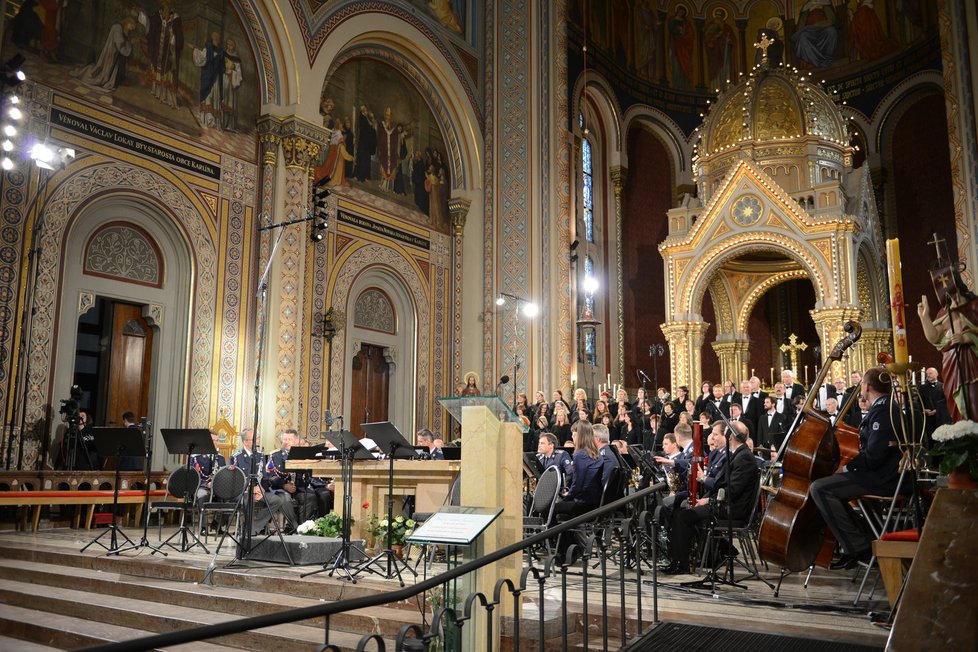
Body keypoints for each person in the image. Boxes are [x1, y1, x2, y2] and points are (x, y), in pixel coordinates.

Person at [810, 367, 903, 570]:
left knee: (820, 488)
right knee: (832, 491)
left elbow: (875, 455)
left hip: (882, 479)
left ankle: (857, 546)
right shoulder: (885, 406)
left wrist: (846, 468)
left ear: (867, 386)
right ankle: (868, 540)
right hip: (878, 475)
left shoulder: (883, 410)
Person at [662, 420, 759, 574]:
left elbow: (732, 490)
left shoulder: (744, 457)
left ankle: (682, 564)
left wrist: (708, 500)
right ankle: (681, 559)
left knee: (684, 515)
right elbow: (725, 485)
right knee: (682, 511)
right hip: (724, 504)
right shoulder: (739, 454)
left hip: (732, 509)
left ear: (731, 436)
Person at [918, 275, 978, 423]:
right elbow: (933, 337)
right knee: (956, 399)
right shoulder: (944, 313)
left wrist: (968, 338)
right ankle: (963, 431)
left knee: (973, 397)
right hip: (952, 363)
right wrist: (924, 317)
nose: (952, 298)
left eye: (954, 292)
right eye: (948, 295)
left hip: (972, 361)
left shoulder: (974, 306)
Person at [231, 428, 297, 535]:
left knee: (276, 500)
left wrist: (262, 488)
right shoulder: (236, 457)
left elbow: (265, 478)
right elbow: (233, 479)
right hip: (243, 492)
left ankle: (253, 527)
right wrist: (250, 489)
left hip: (259, 491)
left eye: (257, 438)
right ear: (245, 442)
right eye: (255, 439)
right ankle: (250, 530)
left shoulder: (260, 456)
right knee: (249, 500)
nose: (257, 440)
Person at [553, 420, 605, 521]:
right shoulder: (597, 454)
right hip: (594, 501)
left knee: (547, 508)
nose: (572, 437)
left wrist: (566, 497)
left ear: (581, 436)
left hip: (583, 503)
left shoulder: (580, 455)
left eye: (574, 434)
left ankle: (551, 536)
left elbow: (578, 484)